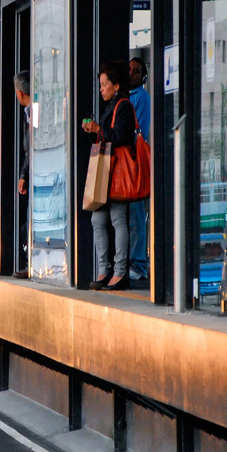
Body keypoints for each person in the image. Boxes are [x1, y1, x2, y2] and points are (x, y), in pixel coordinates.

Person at [82, 61, 137, 290]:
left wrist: (98, 130)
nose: (101, 89)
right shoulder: (110, 107)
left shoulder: (123, 106)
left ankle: (120, 271)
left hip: (116, 173)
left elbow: (121, 136)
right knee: (98, 219)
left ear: (116, 85)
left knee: (117, 219)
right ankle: (104, 268)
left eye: (104, 85)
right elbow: (105, 138)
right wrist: (93, 133)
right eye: (101, 85)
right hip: (106, 173)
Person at [128, 58, 151, 282]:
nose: (132, 73)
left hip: (134, 164)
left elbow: (139, 131)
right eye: (130, 69)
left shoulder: (141, 98)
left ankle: (138, 263)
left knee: (136, 216)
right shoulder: (125, 97)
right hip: (125, 164)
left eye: (136, 71)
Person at [13, 71, 31, 279]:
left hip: (39, 173)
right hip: (33, 171)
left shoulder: (32, 113)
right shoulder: (30, 112)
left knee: (30, 222)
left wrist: (24, 173)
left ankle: (31, 263)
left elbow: (31, 148)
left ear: (19, 94)